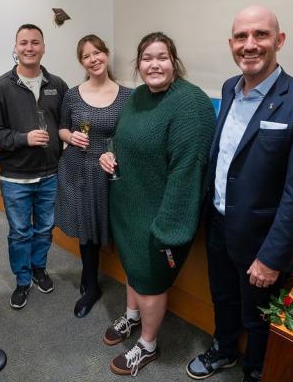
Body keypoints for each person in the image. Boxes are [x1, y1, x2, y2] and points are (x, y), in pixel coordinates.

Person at [186, 5, 293, 382]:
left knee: (257, 317)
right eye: (241, 37)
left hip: (262, 239)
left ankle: (255, 371)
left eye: (260, 35)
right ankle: (224, 350)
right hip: (220, 224)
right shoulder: (229, 88)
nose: (250, 44)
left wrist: (272, 257)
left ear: (279, 41)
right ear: (231, 44)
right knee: (222, 298)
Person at [99, 32, 215, 377]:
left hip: (161, 220)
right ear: (138, 65)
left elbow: (188, 170)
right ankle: (132, 317)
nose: (154, 64)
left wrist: (169, 230)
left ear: (174, 62)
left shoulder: (190, 104)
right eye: (147, 58)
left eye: (161, 57)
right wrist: (110, 154)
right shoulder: (137, 97)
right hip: (129, 209)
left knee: (150, 282)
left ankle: (148, 345)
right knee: (134, 270)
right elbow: (124, 140)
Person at [0, 23, 68, 309]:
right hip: (15, 177)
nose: (29, 48)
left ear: (43, 47)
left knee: (45, 228)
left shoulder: (57, 84)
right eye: (23, 43)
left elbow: (65, 125)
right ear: (15, 48)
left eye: (35, 43)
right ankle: (22, 279)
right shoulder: (0, 87)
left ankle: (39, 269)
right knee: (20, 232)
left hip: (49, 173)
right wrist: (23, 138)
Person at [55, 34, 131, 318]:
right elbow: (61, 128)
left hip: (107, 170)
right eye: (87, 56)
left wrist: (114, 154)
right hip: (77, 168)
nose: (94, 59)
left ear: (106, 54)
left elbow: (128, 137)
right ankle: (91, 285)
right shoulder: (72, 94)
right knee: (85, 231)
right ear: (82, 62)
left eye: (97, 52)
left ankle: (119, 289)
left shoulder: (127, 96)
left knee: (109, 229)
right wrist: (70, 136)